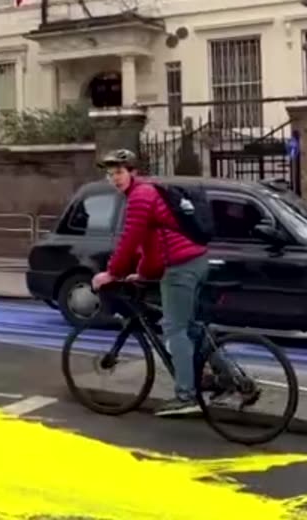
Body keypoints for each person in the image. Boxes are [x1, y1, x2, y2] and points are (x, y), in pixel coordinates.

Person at [90, 148, 208, 417]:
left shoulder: (141, 196)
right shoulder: (147, 192)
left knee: (173, 328)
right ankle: (224, 378)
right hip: (194, 261)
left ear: (133, 172)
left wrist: (111, 273)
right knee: (190, 328)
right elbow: (152, 245)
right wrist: (143, 274)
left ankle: (186, 396)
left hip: (181, 267)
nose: (115, 179)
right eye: (110, 175)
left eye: (119, 172)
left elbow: (130, 239)